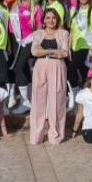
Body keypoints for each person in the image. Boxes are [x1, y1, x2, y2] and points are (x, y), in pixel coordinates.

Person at [29, 8, 70, 145]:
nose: (51, 20)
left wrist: (45, 50)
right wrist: (53, 51)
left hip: (57, 66)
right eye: (48, 18)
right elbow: (34, 51)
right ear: (43, 20)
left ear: (57, 19)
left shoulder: (63, 33)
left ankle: (55, 136)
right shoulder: (38, 33)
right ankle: (36, 136)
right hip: (40, 66)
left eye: (53, 17)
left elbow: (64, 52)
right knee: (37, 101)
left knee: (57, 101)